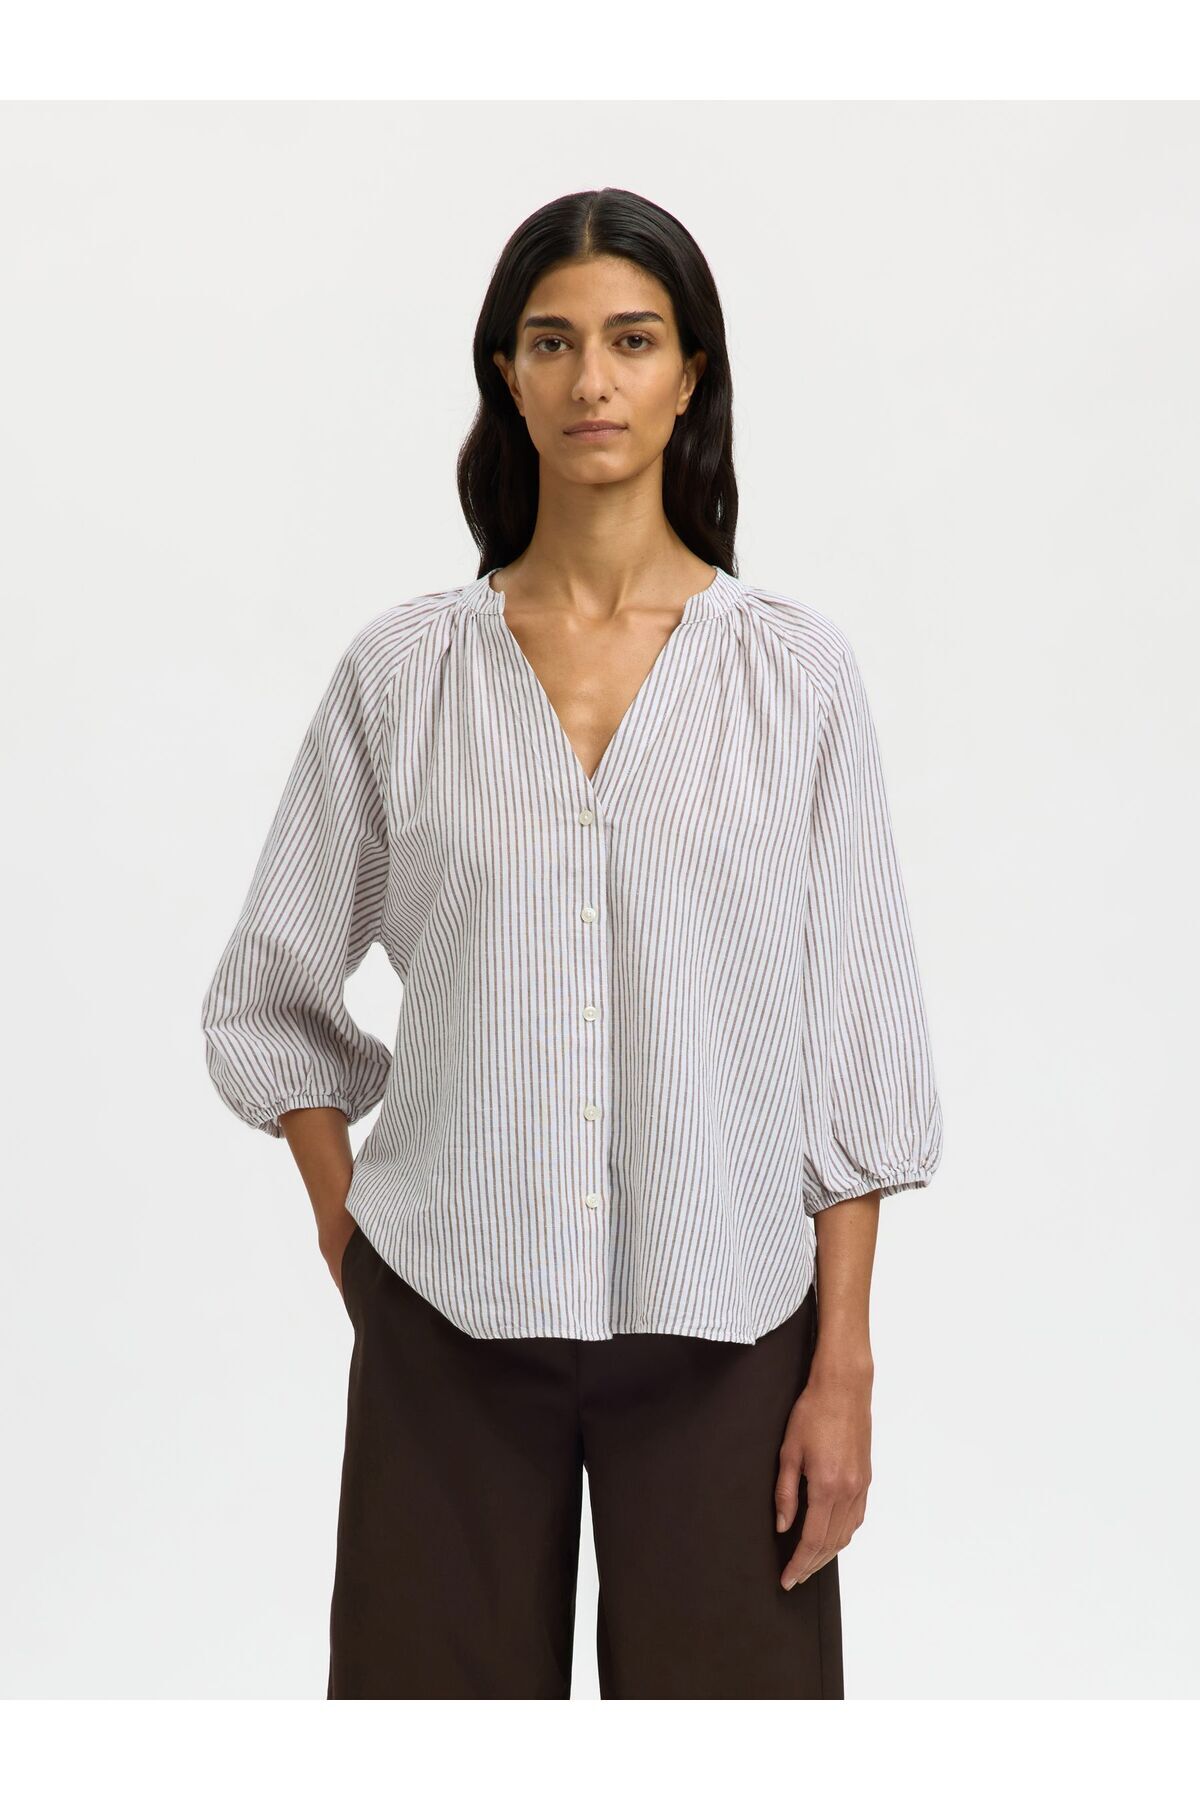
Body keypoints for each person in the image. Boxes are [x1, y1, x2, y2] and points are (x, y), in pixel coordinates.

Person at [200, 186, 943, 1700]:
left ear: (689, 376)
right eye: (551, 342)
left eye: (632, 340)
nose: (591, 380)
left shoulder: (794, 677)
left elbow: (859, 1045)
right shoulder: (405, 675)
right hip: (448, 1325)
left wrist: (844, 1364)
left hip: (732, 1327)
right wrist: (354, 1239)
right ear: (506, 375)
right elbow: (270, 992)